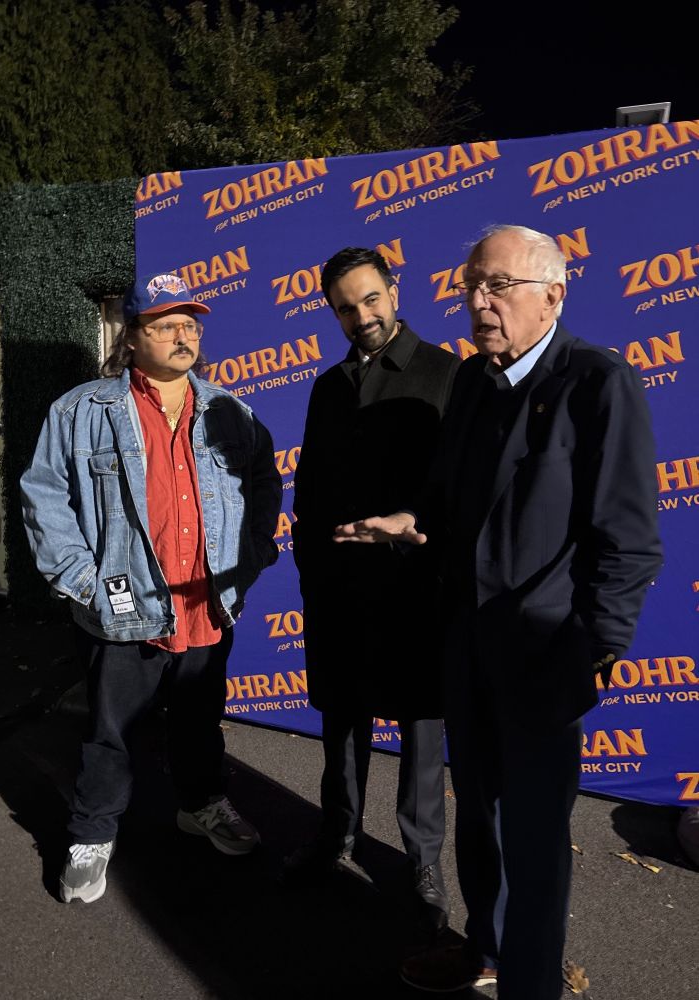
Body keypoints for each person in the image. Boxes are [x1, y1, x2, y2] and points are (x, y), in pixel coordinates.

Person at [334, 226, 662, 998]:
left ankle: (530, 982)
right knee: (478, 819)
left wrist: (590, 658)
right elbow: (450, 502)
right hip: (468, 648)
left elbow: (628, 546)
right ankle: (483, 949)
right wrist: (410, 522)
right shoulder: (476, 382)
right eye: (472, 286)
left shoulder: (598, 382)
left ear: (554, 294)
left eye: (499, 286)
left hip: (545, 656)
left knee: (536, 844)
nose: (480, 302)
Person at [21, 272, 282, 903]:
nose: (183, 336)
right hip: (122, 607)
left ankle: (200, 804)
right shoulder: (81, 412)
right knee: (111, 733)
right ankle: (92, 833)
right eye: (166, 325)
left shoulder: (230, 411)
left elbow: (263, 485)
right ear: (132, 336)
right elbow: (44, 496)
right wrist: (85, 582)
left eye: (190, 325)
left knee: (198, 721)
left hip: (204, 605)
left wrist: (246, 561)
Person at [282, 246, 460, 930]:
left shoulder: (446, 373)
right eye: (345, 309)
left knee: (421, 731)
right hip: (338, 590)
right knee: (341, 721)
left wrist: (422, 541)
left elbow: (455, 487)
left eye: (370, 299)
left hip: (415, 591)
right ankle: (337, 835)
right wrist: (311, 567)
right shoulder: (328, 386)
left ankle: (423, 861)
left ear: (394, 290)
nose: (362, 316)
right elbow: (310, 487)